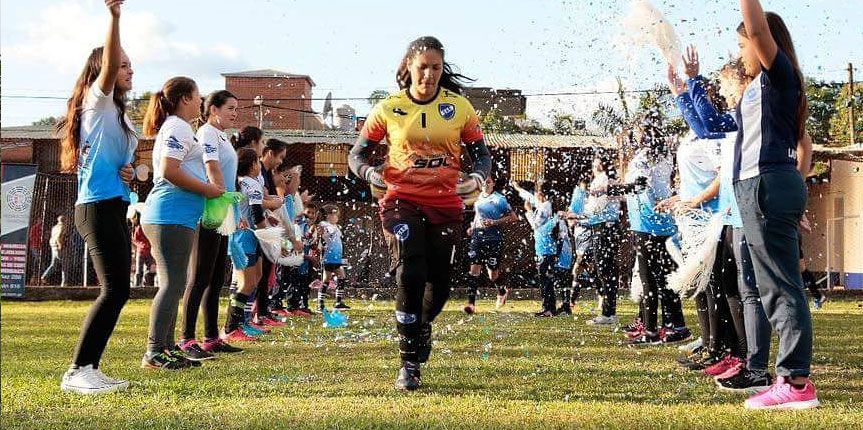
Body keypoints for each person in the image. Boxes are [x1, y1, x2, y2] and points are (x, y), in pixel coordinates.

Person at [349, 36, 491, 390]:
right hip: (400, 201)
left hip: (445, 205)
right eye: (423, 67)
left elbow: (483, 156)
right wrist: (371, 173)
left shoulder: (459, 108)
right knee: (410, 274)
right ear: (409, 67)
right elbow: (357, 156)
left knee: (439, 286)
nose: (429, 74)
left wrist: (475, 177)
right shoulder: (388, 108)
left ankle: (420, 326)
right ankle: (407, 363)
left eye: (436, 68)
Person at [730, 1, 819, 410]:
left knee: (781, 286)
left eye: (742, 44)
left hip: (766, 183)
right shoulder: (763, 87)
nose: (740, 53)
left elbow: (758, 28)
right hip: (764, 186)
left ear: (763, 40)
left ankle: (796, 383)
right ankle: (788, 377)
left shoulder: (778, 74)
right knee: (772, 286)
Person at [58, 0, 138, 394]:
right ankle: (77, 370)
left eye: (129, 65)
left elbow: (128, 166)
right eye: (123, 64)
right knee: (114, 290)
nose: (128, 70)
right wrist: (114, 17)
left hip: (114, 205)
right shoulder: (97, 101)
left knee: (119, 290)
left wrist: (131, 172)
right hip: (95, 207)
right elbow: (107, 66)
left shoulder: (120, 116)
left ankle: (90, 365)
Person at [140, 76, 224, 370]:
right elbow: (169, 170)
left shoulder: (180, 128)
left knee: (174, 284)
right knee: (173, 284)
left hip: (177, 217)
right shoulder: (177, 126)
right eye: (198, 95)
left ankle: (166, 347)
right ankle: (154, 351)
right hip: (168, 216)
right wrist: (208, 189)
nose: (202, 101)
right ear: (185, 98)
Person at [179, 90, 244, 357]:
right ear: (213, 109)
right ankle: (186, 339)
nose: (234, 112)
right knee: (200, 276)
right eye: (230, 107)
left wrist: (233, 209)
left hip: (223, 209)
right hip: (209, 209)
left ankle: (211, 337)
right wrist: (219, 191)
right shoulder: (206, 132)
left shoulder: (224, 137)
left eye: (236, 108)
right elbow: (211, 166)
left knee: (217, 276)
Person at [624, 119, 691, 346]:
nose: (634, 134)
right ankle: (676, 326)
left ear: (646, 134)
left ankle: (651, 331)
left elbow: (640, 185)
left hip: (646, 223)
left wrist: (610, 187)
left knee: (648, 278)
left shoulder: (647, 158)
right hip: (661, 223)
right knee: (664, 276)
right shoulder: (662, 156)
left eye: (637, 131)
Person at [562, 154, 623, 324]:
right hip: (602, 228)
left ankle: (608, 314)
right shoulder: (603, 181)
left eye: (598, 166)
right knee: (604, 270)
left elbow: (596, 210)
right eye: (594, 166)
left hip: (606, 229)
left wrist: (576, 216)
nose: (594, 169)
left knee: (605, 271)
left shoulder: (605, 181)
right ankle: (608, 312)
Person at [222, 148, 268, 341]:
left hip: (249, 238)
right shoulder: (250, 183)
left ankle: (244, 322)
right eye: (258, 161)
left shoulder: (246, 183)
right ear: (252, 165)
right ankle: (231, 328)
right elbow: (256, 214)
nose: (260, 165)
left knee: (255, 277)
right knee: (247, 283)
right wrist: (269, 236)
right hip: (245, 239)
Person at [465, 176, 517, 313]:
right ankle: (471, 304)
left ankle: (502, 291)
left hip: (494, 239)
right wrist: (473, 226)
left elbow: (513, 217)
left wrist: (494, 222)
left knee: (492, 274)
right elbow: (478, 215)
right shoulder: (478, 197)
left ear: (493, 184)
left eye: (488, 181)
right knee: (474, 270)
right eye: (483, 181)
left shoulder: (500, 199)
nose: (485, 183)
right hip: (477, 236)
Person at [513, 180, 558, 317]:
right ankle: (549, 308)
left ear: (541, 193)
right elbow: (530, 198)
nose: (534, 194)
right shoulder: (545, 205)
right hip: (545, 248)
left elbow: (536, 225)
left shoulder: (545, 208)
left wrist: (528, 211)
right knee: (546, 280)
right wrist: (518, 188)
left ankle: (548, 309)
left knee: (546, 281)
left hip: (546, 248)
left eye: (536, 191)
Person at [317, 204, 350, 310]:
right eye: (335, 215)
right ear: (328, 215)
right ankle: (320, 304)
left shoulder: (335, 226)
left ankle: (338, 302)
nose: (337, 217)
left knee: (341, 277)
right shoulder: (324, 225)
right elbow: (323, 234)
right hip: (329, 257)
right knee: (326, 278)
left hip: (336, 257)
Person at [41, 215, 69, 287]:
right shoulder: (62, 227)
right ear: (65, 220)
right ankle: (64, 282)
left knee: (53, 264)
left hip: (53, 246)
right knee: (64, 265)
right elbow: (59, 237)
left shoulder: (54, 227)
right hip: (59, 246)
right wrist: (60, 245)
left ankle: (44, 277)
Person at [131, 211, 155, 287]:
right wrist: (142, 244)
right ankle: (137, 286)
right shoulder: (139, 228)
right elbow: (135, 239)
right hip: (142, 251)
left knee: (148, 269)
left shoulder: (143, 227)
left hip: (146, 251)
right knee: (139, 270)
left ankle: (146, 285)